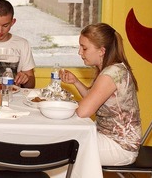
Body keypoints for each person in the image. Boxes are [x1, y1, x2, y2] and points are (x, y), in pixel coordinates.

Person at [59, 23, 141, 166]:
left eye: (84, 48)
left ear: (102, 50)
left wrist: (61, 107)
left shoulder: (111, 74)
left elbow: (83, 111)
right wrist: (76, 82)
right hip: (108, 136)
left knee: (63, 151)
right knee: (65, 142)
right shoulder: (110, 69)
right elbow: (94, 98)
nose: (80, 52)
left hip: (120, 146)